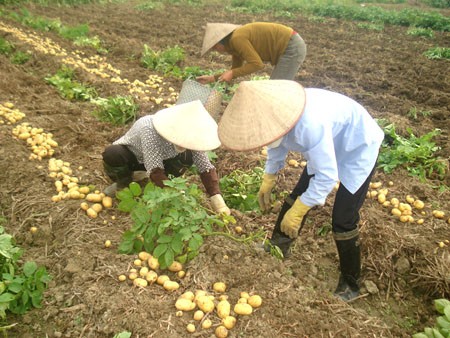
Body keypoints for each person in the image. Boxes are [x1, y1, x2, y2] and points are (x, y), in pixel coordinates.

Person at [217, 80, 384, 302]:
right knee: (297, 194)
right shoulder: (275, 115)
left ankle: (350, 284)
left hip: (358, 143)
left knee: (343, 218)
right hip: (330, 138)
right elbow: (276, 142)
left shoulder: (308, 125)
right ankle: (278, 246)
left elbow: (326, 175)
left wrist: (300, 210)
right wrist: (270, 175)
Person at [102, 100, 230, 215]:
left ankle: (149, 181)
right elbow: (155, 169)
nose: (184, 143)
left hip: (161, 161)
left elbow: (205, 166)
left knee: (187, 157)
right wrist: (178, 196)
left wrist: (216, 196)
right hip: (133, 159)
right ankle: (124, 183)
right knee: (113, 154)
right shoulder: (149, 128)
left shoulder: (192, 136)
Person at [196, 22, 306, 84]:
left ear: (220, 42)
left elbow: (257, 65)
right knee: (276, 88)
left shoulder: (237, 39)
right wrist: (212, 78)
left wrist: (232, 73)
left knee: (275, 89)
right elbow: (236, 68)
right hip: (289, 45)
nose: (216, 51)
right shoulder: (233, 45)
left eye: (214, 48)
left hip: (291, 46)